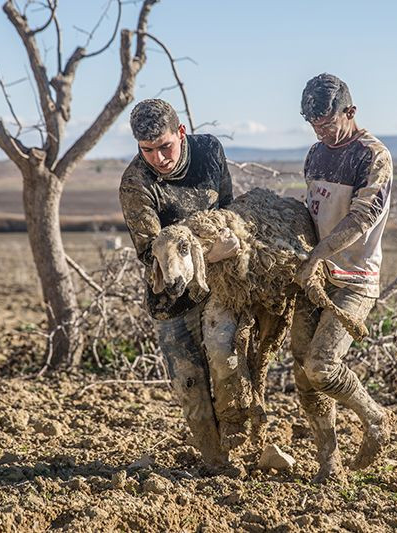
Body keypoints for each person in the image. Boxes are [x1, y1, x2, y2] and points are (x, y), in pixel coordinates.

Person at [118, 99, 241, 473]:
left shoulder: (209, 152)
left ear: (181, 132)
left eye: (165, 147)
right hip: (169, 293)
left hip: (221, 284)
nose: (158, 158)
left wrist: (227, 249)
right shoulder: (135, 183)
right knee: (189, 379)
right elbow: (152, 254)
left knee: (227, 359)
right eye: (147, 150)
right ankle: (214, 462)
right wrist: (211, 252)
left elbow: (229, 210)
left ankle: (243, 448)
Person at [291, 73, 393, 483]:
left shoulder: (373, 156)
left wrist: (316, 256)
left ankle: (374, 418)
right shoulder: (315, 154)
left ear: (349, 111)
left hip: (354, 278)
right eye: (313, 124)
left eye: (328, 122)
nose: (321, 131)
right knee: (303, 372)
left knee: (322, 365)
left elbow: (362, 218)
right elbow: (311, 212)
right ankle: (328, 461)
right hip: (314, 276)